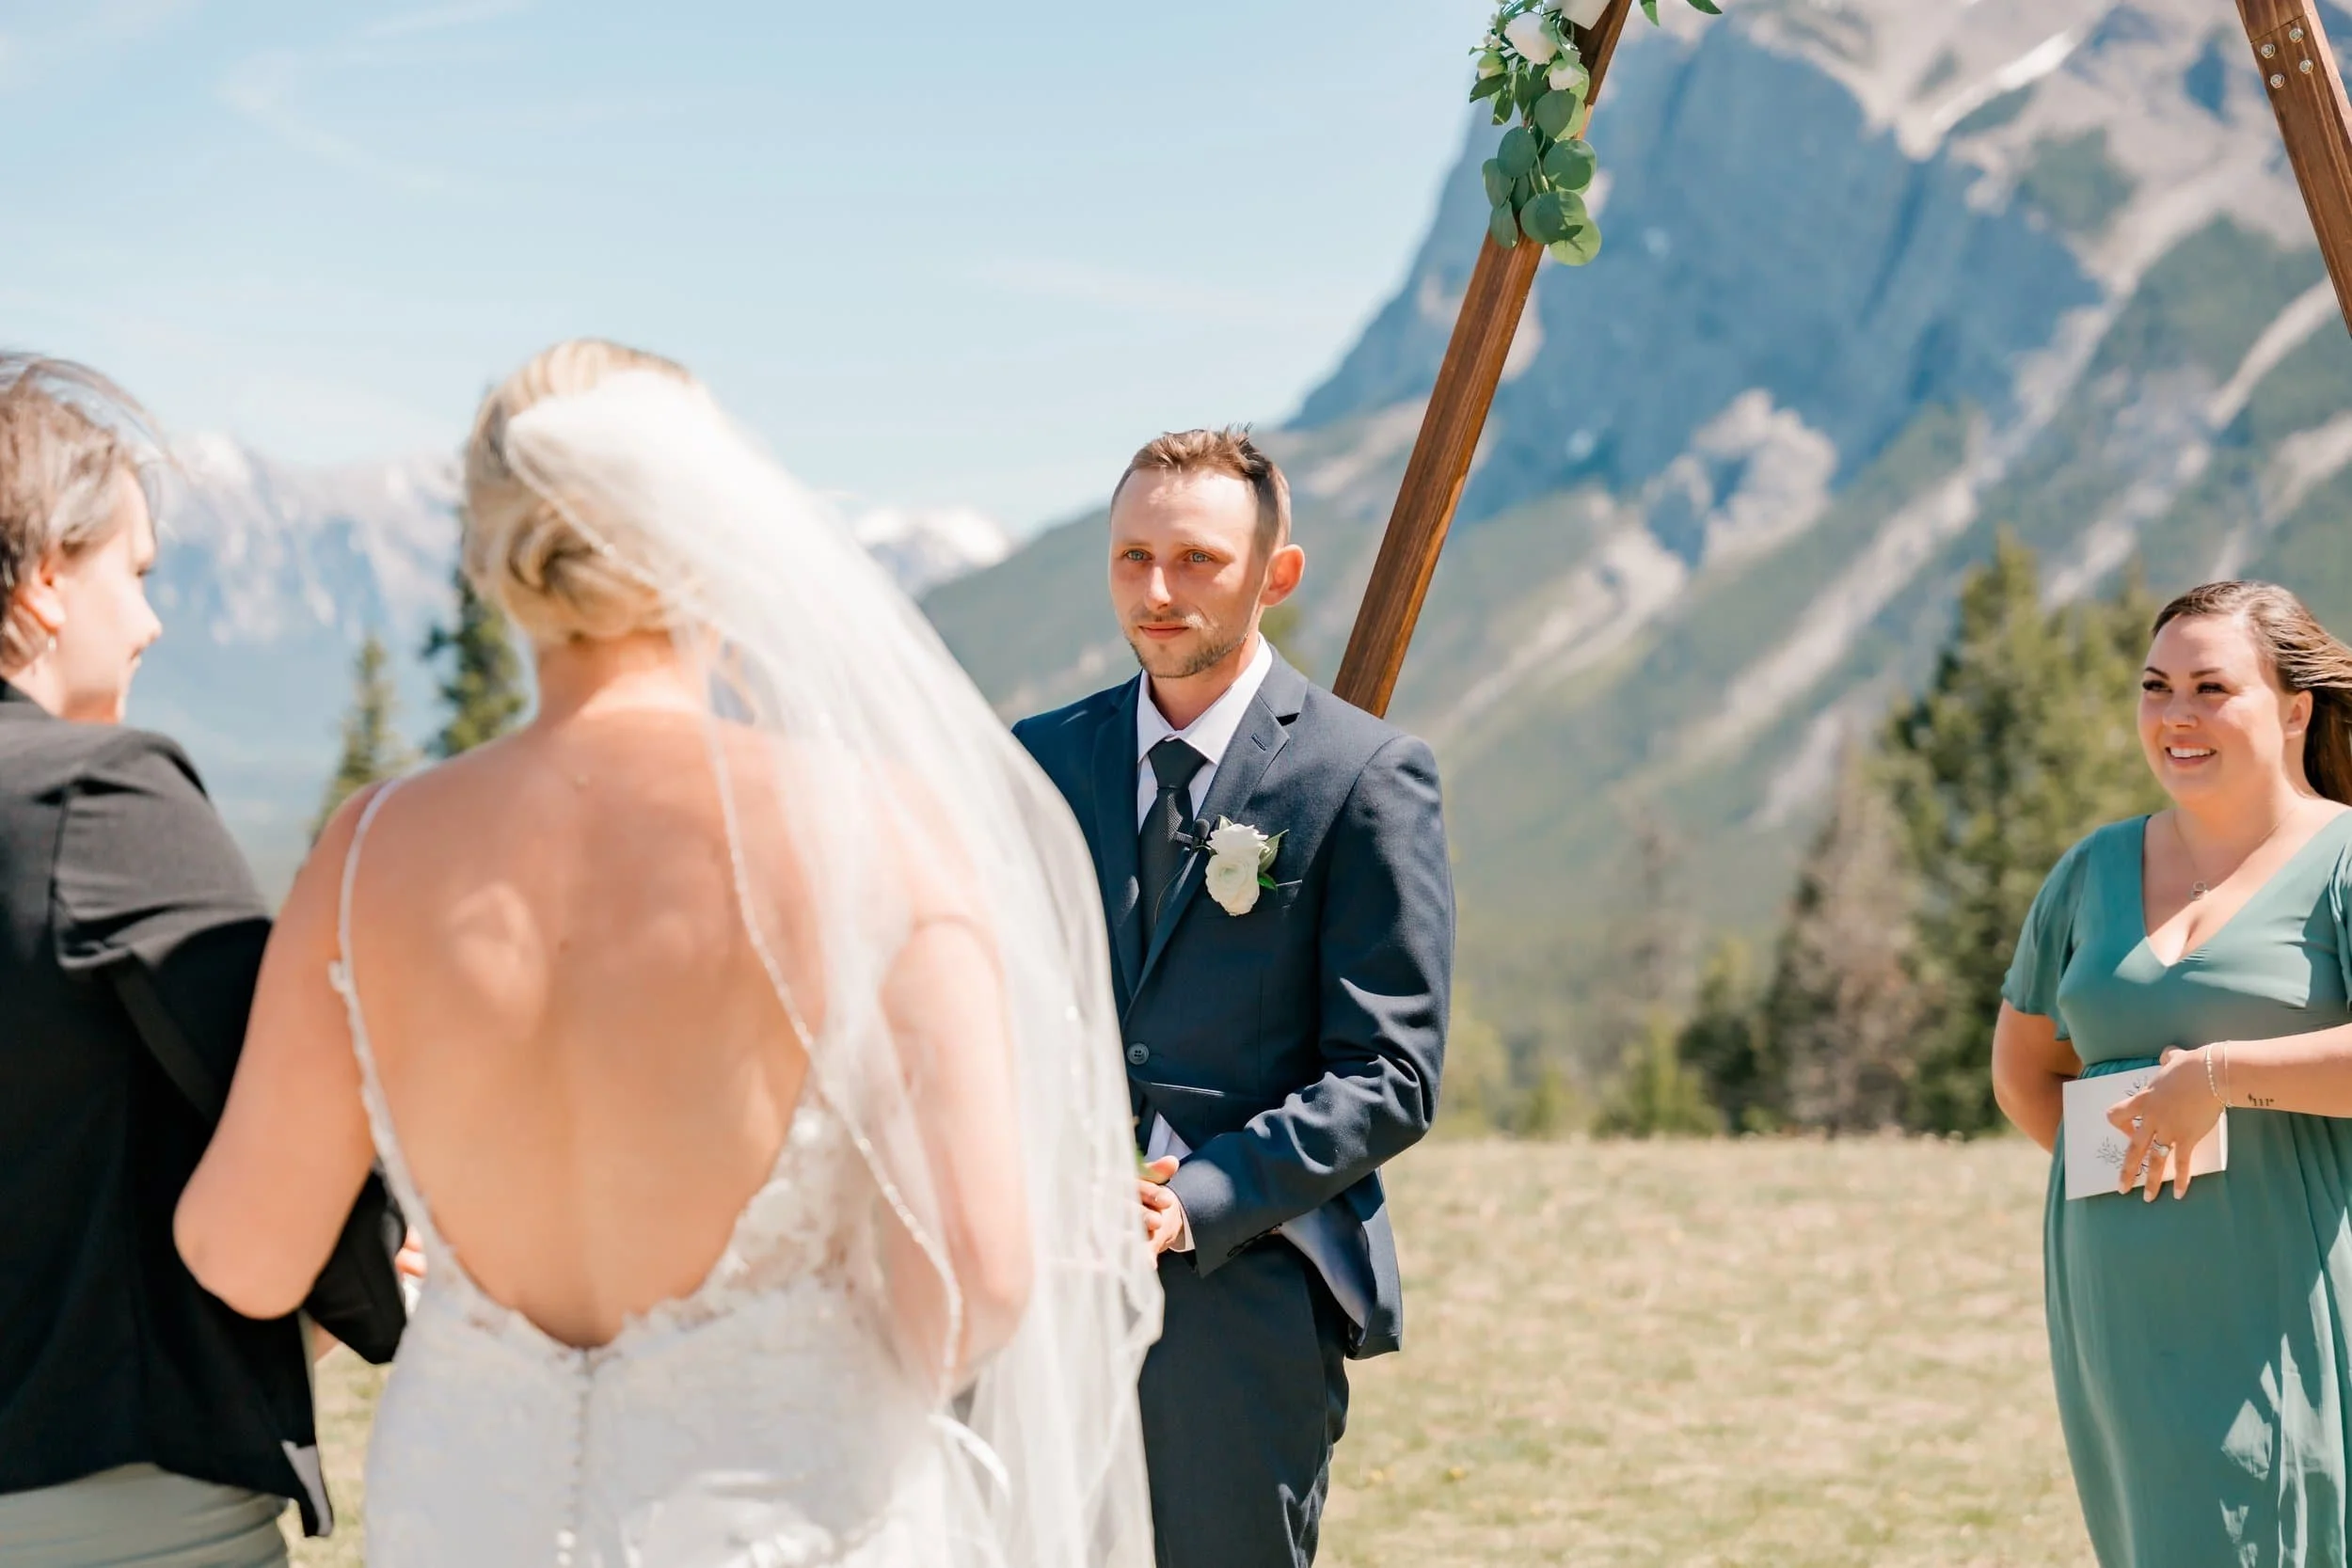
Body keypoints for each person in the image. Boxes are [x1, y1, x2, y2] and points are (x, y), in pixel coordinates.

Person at [174, 340, 1160, 1568]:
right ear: (713, 528)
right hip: (782, 1504)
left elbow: (248, 1253)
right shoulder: (874, 830)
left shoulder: (367, 853)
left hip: (470, 1511)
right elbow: (977, 1276)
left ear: (496, 551)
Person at [1012, 429, 1453, 1568]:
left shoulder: (1361, 775)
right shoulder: (1041, 757)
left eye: (1197, 559)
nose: (1156, 591)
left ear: (1276, 573)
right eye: (1130, 557)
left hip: (1242, 1282)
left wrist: (1195, 1196)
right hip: (1041, 1292)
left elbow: (1391, 1073)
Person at [0, 356, 355, 1564]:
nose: (149, 621)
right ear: (47, 575)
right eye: (134, 573)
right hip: (104, 1508)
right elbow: (291, 1098)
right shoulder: (94, 795)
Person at [1994, 579, 2352, 1567]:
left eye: (2209, 687)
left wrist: (2220, 1078)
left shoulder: (2342, 859)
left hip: (2281, 1285)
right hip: (2116, 1303)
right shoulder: (2090, 870)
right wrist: (2137, 1159)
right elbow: (2025, 1068)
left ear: (2292, 709)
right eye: (2156, 687)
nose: (2175, 715)